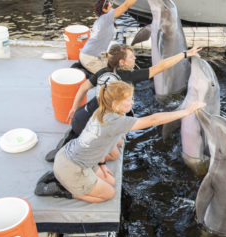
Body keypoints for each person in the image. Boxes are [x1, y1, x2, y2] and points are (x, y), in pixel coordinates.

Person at [44, 44, 202, 162]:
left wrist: (73, 108)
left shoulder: (103, 72)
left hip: (80, 115)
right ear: (122, 62)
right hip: (91, 126)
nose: (135, 59)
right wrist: (185, 54)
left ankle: (72, 136)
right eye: (131, 57)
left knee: (118, 141)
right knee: (114, 153)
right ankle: (72, 149)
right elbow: (159, 67)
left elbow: (83, 87)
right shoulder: (128, 77)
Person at [53, 81, 206, 203]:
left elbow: (98, 143)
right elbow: (153, 120)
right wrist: (186, 111)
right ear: (115, 105)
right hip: (72, 169)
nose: (132, 103)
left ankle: (62, 178)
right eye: (128, 100)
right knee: (108, 194)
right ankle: (61, 190)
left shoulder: (102, 111)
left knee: (110, 180)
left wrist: (101, 164)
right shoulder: (115, 122)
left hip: (68, 156)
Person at [80, 0, 138, 74]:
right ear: (104, 9)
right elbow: (125, 5)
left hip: (93, 55)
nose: (113, 10)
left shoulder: (101, 20)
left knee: (117, 66)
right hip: (90, 59)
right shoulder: (105, 18)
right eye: (110, 8)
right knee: (110, 75)